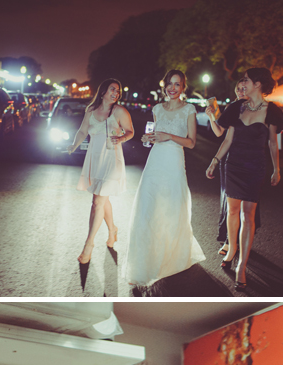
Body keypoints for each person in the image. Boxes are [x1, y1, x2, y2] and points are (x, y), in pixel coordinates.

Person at [126, 69, 206, 289]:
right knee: (148, 208)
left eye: (177, 84)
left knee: (171, 208)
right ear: (164, 86)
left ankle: (170, 258)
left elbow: (191, 142)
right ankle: (143, 262)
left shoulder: (189, 109)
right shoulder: (157, 109)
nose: (173, 88)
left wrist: (169, 136)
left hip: (173, 163)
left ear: (183, 87)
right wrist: (149, 138)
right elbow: (155, 136)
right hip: (155, 162)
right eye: (170, 84)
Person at [207, 68, 283, 292]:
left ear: (258, 84)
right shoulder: (236, 107)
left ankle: (242, 266)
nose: (242, 84)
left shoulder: (272, 111)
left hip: (254, 168)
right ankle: (231, 250)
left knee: (248, 215)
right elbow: (228, 139)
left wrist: (276, 169)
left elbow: (272, 143)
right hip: (233, 166)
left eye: (246, 81)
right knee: (232, 212)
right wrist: (214, 161)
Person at [70, 78, 133, 264]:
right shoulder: (91, 110)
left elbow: (130, 131)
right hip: (95, 159)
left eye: (118, 91)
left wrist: (121, 138)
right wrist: (74, 146)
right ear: (103, 90)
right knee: (101, 198)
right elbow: (82, 131)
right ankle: (112, 228)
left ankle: (88, 245)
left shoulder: (119, 111)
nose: (116, 93)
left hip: (112, 160)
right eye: (113, 89)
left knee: (97, 201)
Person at [205, 82, 261, 260]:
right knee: (229, 205)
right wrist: (212, 117)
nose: (240, 91)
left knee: (248, 206)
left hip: (251, 162)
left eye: (244, 88)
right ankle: (230, 241)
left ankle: (241, 240)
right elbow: (220, 133)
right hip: (230, 160)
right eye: (238, 88)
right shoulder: (232, 109)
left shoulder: (257, 109)